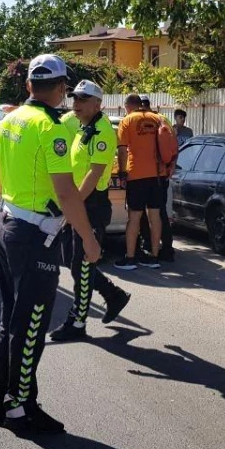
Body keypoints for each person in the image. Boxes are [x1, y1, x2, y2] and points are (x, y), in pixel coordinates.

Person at [0, 54, 101, 435]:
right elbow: (66, 194)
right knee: (31, 325)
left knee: (9, 320)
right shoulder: (52, 129)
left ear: (30, 85)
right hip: (35, 237)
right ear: (62, 87)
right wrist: (88, 238)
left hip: (8, 225)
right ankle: (20, 408)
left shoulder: (10, 119)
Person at [50, 80, 132, 342]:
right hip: (80, 202)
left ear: (98, 104)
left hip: (92, 204)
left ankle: (77, 322)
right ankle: (113, 295)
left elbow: (92, 175)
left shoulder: (103, 133)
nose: (76, 104)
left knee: (82, 266)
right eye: (75, 99)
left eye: (83, 100)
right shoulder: (85, 126)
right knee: (75, 264)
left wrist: (70, 207)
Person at [117, 93, 168, 270]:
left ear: (127, 106)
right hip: (157, 175)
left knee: (134, 217)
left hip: (136, 175)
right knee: (155, 216)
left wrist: (122, 172)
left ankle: (130, 258)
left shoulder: (127, 121)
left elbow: (122, 151)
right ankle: (154, 257)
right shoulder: (158, 118)